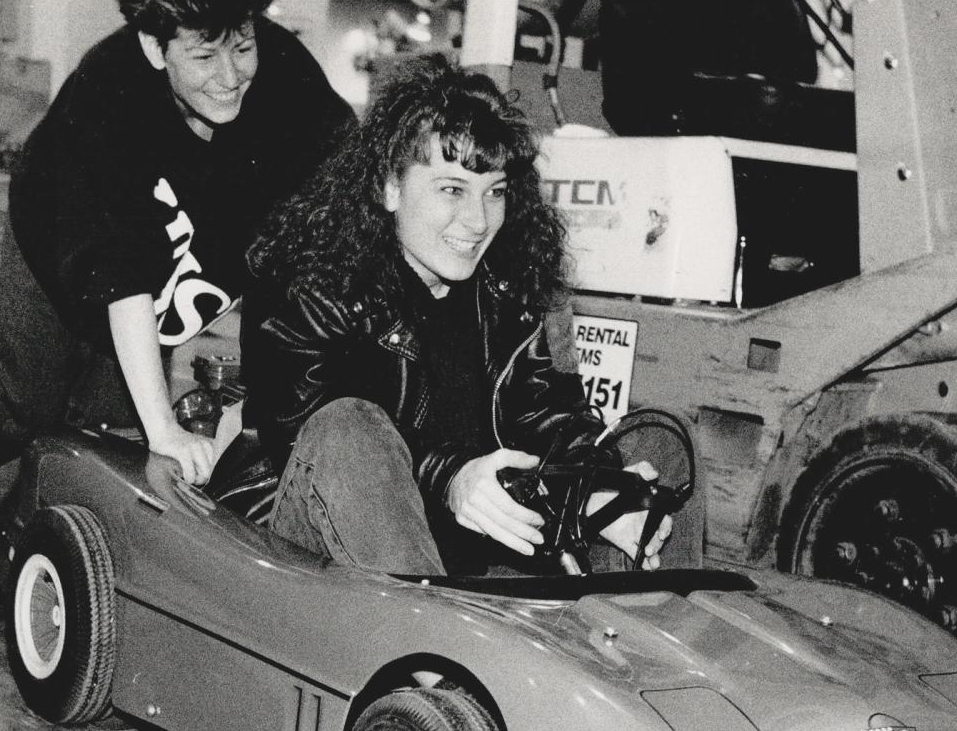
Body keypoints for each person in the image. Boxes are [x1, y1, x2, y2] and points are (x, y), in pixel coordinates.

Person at [0, 0, 355, 574]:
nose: (231, 76)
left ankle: (17, 536)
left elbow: (315, 231)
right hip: (60, 243)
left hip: (175, 256)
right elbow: (123, 278)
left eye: (242, 48)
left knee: (108, 432)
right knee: (28, 407)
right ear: (153, 44)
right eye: (203, 57)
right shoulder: (105, 100)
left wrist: (259, 402)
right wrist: (166, 427)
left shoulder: (284, 79)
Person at [241, 56, 671, 576]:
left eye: (495, 192)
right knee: (349, 426)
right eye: (452, 189)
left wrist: (599, 489)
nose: (478, 220)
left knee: (655, 450)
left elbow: (552, 417)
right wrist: (451, 479)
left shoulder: (516, 287)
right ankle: (430, 650)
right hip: (309, 555)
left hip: (471, 563)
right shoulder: (312, 283)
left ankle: (635, 649)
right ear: (389, 187)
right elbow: (318, 440)